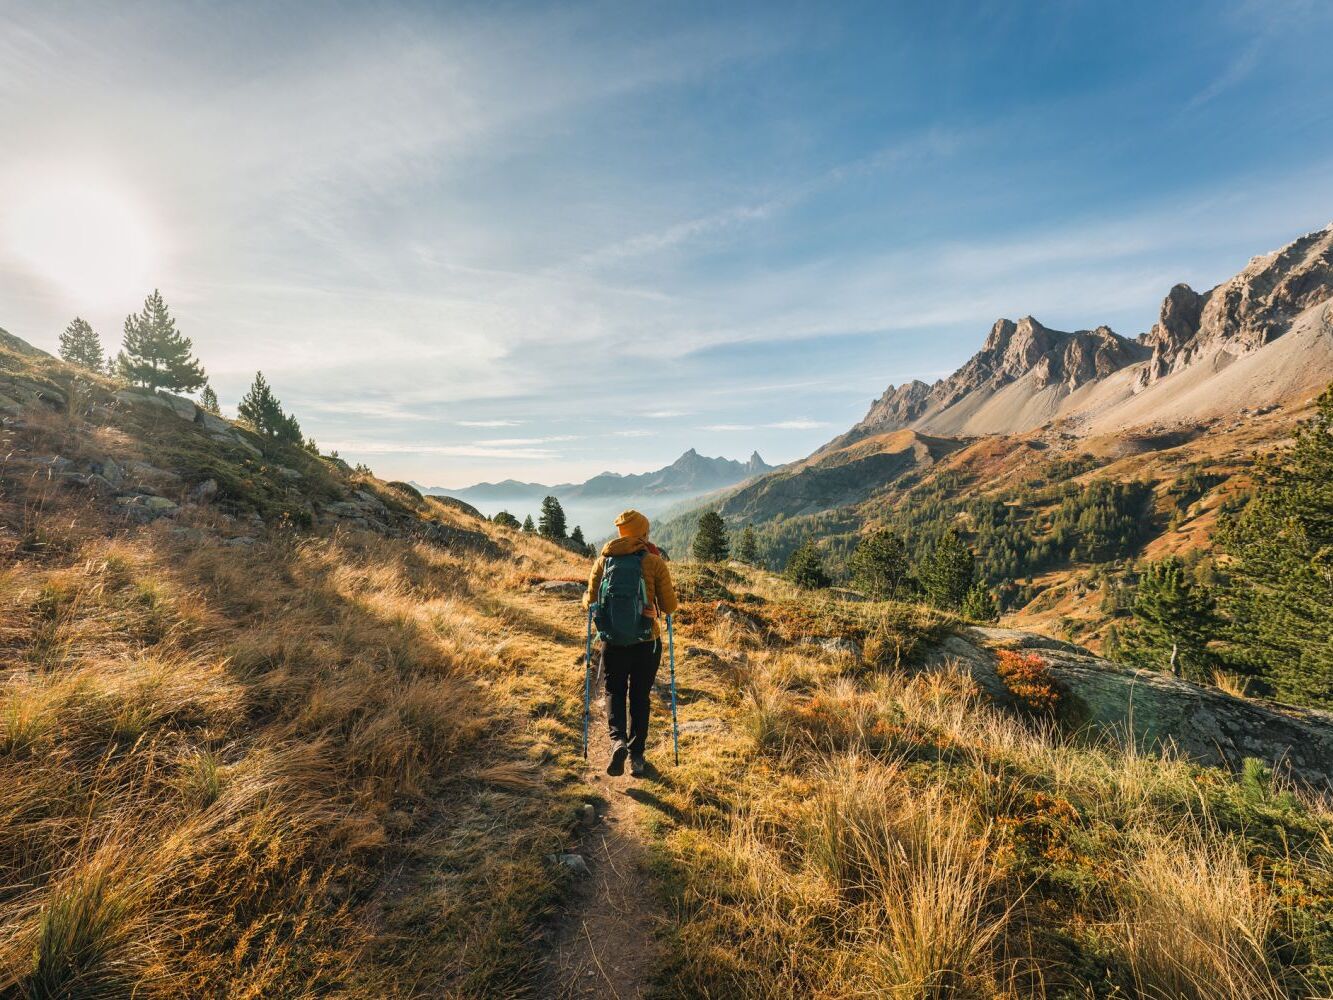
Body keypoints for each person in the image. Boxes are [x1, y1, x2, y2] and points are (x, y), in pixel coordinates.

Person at [583, 509, 678, 778]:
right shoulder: (653, 562)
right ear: (643, 533)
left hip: (613, 641)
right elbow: (670, 605)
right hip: (646, 641)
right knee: (639, 696)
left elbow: (590, 602)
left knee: (614, 690)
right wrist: (654, 610)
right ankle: (637, 757)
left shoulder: (604, 560)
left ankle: (617, 741)